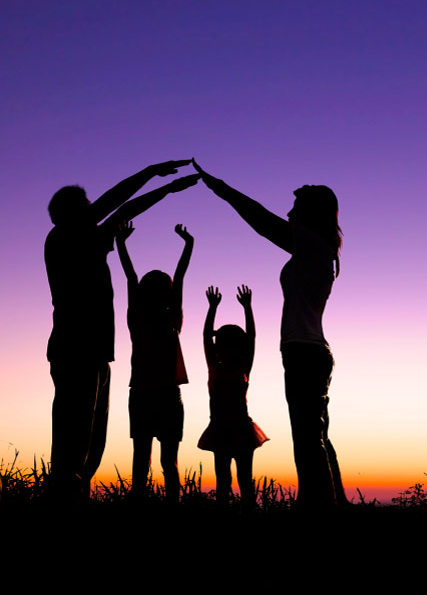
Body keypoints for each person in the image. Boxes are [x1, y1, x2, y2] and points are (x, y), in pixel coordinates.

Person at [192, 160, 346, 508]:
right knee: (317, 436)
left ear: (309, 212)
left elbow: (260, 220)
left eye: (296, 205)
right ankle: (332, 503)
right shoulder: (317, 248)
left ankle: (316, 505)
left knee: (308, 439)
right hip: (310, 350)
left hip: (304, 352)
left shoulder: (311, 244)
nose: (289, 210)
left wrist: (221, 188)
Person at [45, 160, 198, 501]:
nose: (95, 215)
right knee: (75, 434)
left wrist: (155, 180)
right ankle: (62, 497)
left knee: (90, 439)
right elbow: (120, 205)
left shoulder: (84, 238)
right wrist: (155, 179)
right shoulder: (65, 239)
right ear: (71, 215)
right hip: (76, 351)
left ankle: (74, 493)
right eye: (88, 210)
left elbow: (120, 207)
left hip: (96, 354)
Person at [116, 221, 193, 503]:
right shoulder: (173, 319)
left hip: (142, 393)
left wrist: (122, 243)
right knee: (168, 463)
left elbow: (130, 277)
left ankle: (139, 503)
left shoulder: (136, 318)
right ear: (168, 294)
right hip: (168, 395)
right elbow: (179, 276)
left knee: (141, 460)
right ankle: (171, 505)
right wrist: (188, 244)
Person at [198, 285, 269, 509]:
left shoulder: (241, 367)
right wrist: (212, 308)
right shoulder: (217, 366)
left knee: (242, 478)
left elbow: (252, 338)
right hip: (222, 428)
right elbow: (206, 336)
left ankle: (245, 508)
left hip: (239, 429)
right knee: (224, 477)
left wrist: (248, 308)